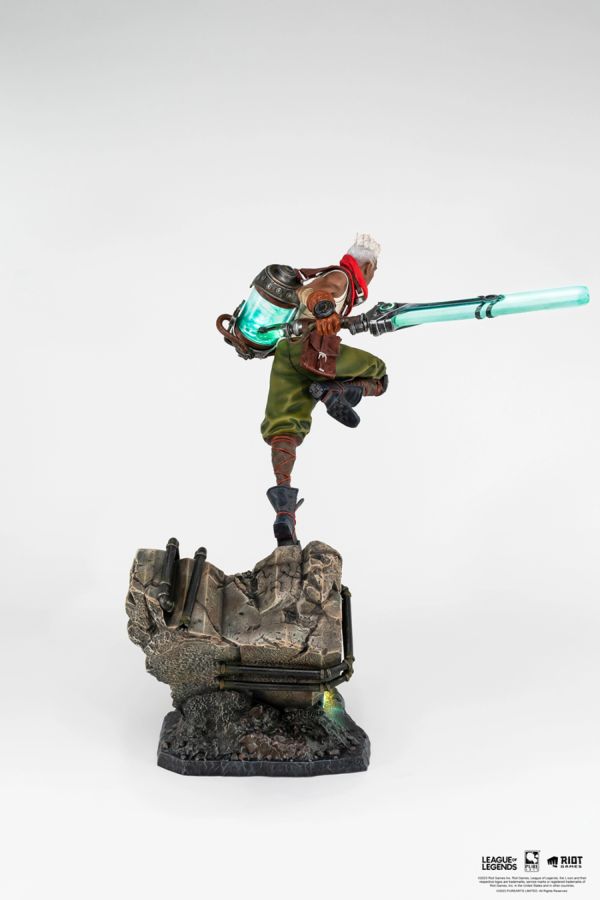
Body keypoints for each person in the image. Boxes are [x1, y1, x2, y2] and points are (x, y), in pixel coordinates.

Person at [261, 234, 388, 544]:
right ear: (367, 267)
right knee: (379, 375)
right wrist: (323, 308)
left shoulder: (334, 279)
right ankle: (334, 392)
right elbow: (316, 292)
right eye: (374, 270)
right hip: (314, 350)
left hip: (286, 354)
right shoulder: (340, 277)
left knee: (284, 430)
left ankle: (285, 514)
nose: (373, 275)